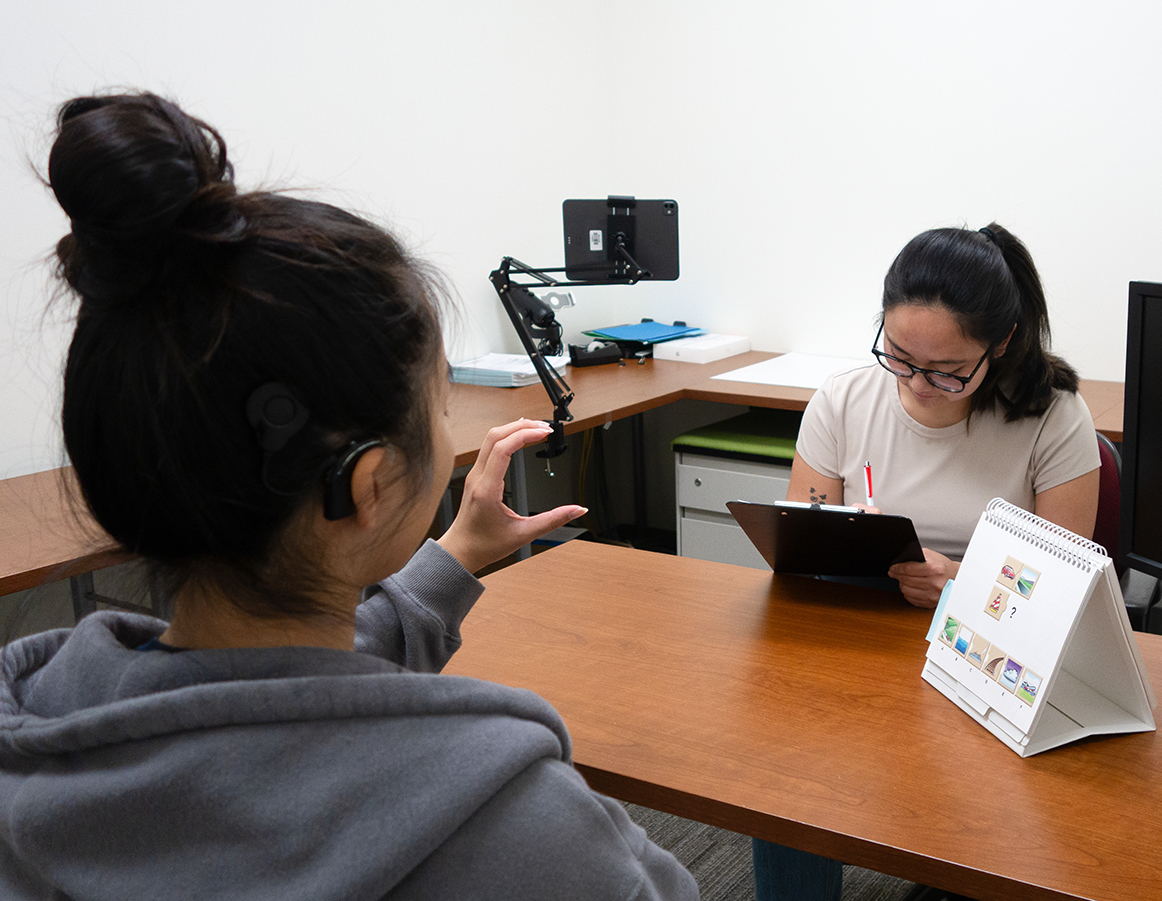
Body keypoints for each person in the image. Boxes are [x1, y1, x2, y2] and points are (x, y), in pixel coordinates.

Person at [0, 92, 697, 901]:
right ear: (366, 486)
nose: (446, 431)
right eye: (439, 407)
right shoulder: (522, 832)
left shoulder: (41, 748)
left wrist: (456, 555)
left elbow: (276, 695)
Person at [758, 223, 1100, 901]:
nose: (916, 383)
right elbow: (801, 544)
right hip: (863, 630)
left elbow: (1068, 590)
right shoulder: (845, 399)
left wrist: (963, 585)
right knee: (787, 768)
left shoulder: (1054, 417)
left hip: (993, 647)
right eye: (900, 356)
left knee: (972, 803)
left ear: (999, 345)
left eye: (946, 370)